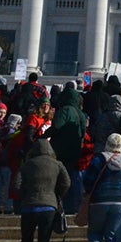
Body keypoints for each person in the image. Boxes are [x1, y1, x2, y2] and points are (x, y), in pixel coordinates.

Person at [12, 137, 71, 242]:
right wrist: (56, 195)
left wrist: (25, 195)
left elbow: (16, 186)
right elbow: (66, 183)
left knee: (26, 241)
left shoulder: (27, 165)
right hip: (48, 207)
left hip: (29, 207)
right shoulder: (57, 164)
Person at [43, 82, 86, 213]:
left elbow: (56, 126)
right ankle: (72, 205)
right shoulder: (80, 113)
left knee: (60, 178)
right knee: (71, 177)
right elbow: (83, 132)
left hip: (61, 150)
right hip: (75, 150)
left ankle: (59, 204)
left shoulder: (65, 110)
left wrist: (43, 135)